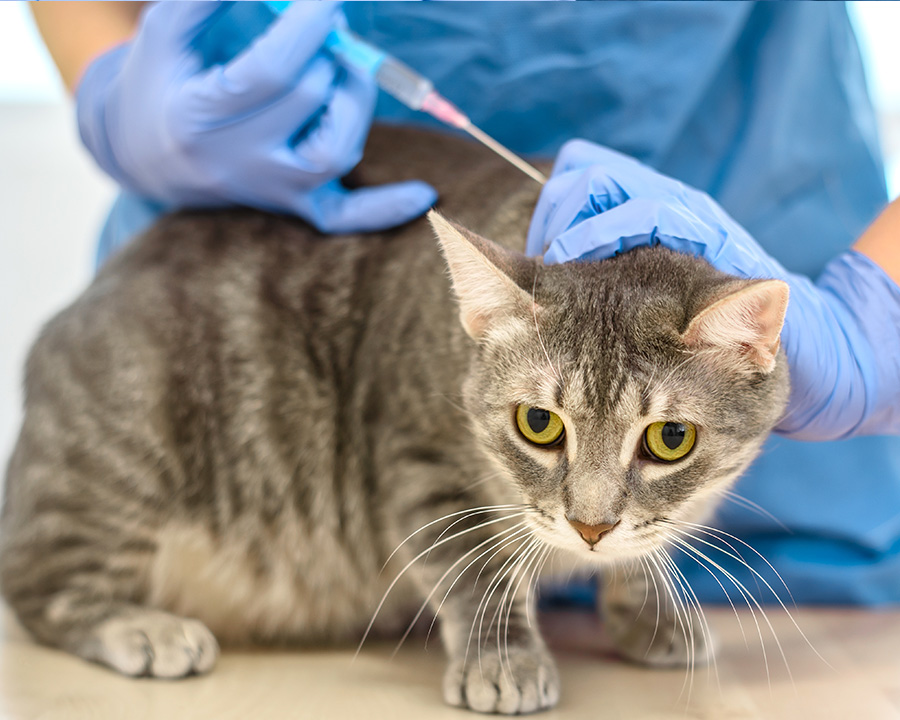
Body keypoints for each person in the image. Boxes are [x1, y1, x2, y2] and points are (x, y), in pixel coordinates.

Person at [33, 1, 900, 605]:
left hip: (772, 526)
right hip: (236, 264)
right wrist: (108, 80)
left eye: (666, 435)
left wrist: (882, 310)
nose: (590, 516)